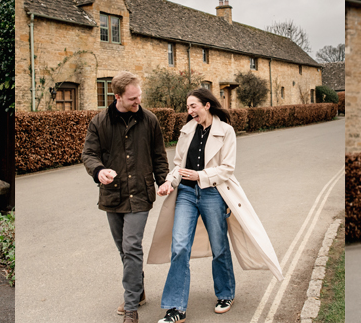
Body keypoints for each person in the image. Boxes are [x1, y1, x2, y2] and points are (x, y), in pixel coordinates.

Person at [149, 88, 282, 322]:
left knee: (219, 246)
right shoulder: (186, 131)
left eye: (193, 106)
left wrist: (200, 175)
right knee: (179, 247)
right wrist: (169, 182)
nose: (190, 111)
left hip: (213, 193)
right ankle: (176, 308)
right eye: (187, 107)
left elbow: (227, 169)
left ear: (207, 105)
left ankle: (225, 294)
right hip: (186, 194)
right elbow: (179, 165)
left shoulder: (226, 131)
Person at [81, 72, 170, 323]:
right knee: (124, 249)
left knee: (132, 247)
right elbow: (89, 154)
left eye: (139, 95)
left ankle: (131, 307)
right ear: (117, 96)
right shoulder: (99, 122)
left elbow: (159, 155)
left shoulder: (150, 120)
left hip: (140, 194)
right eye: (132, 98)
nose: (138, 101)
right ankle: (138, 291)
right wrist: (99, 171)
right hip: (113, 195)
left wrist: (163, 181)